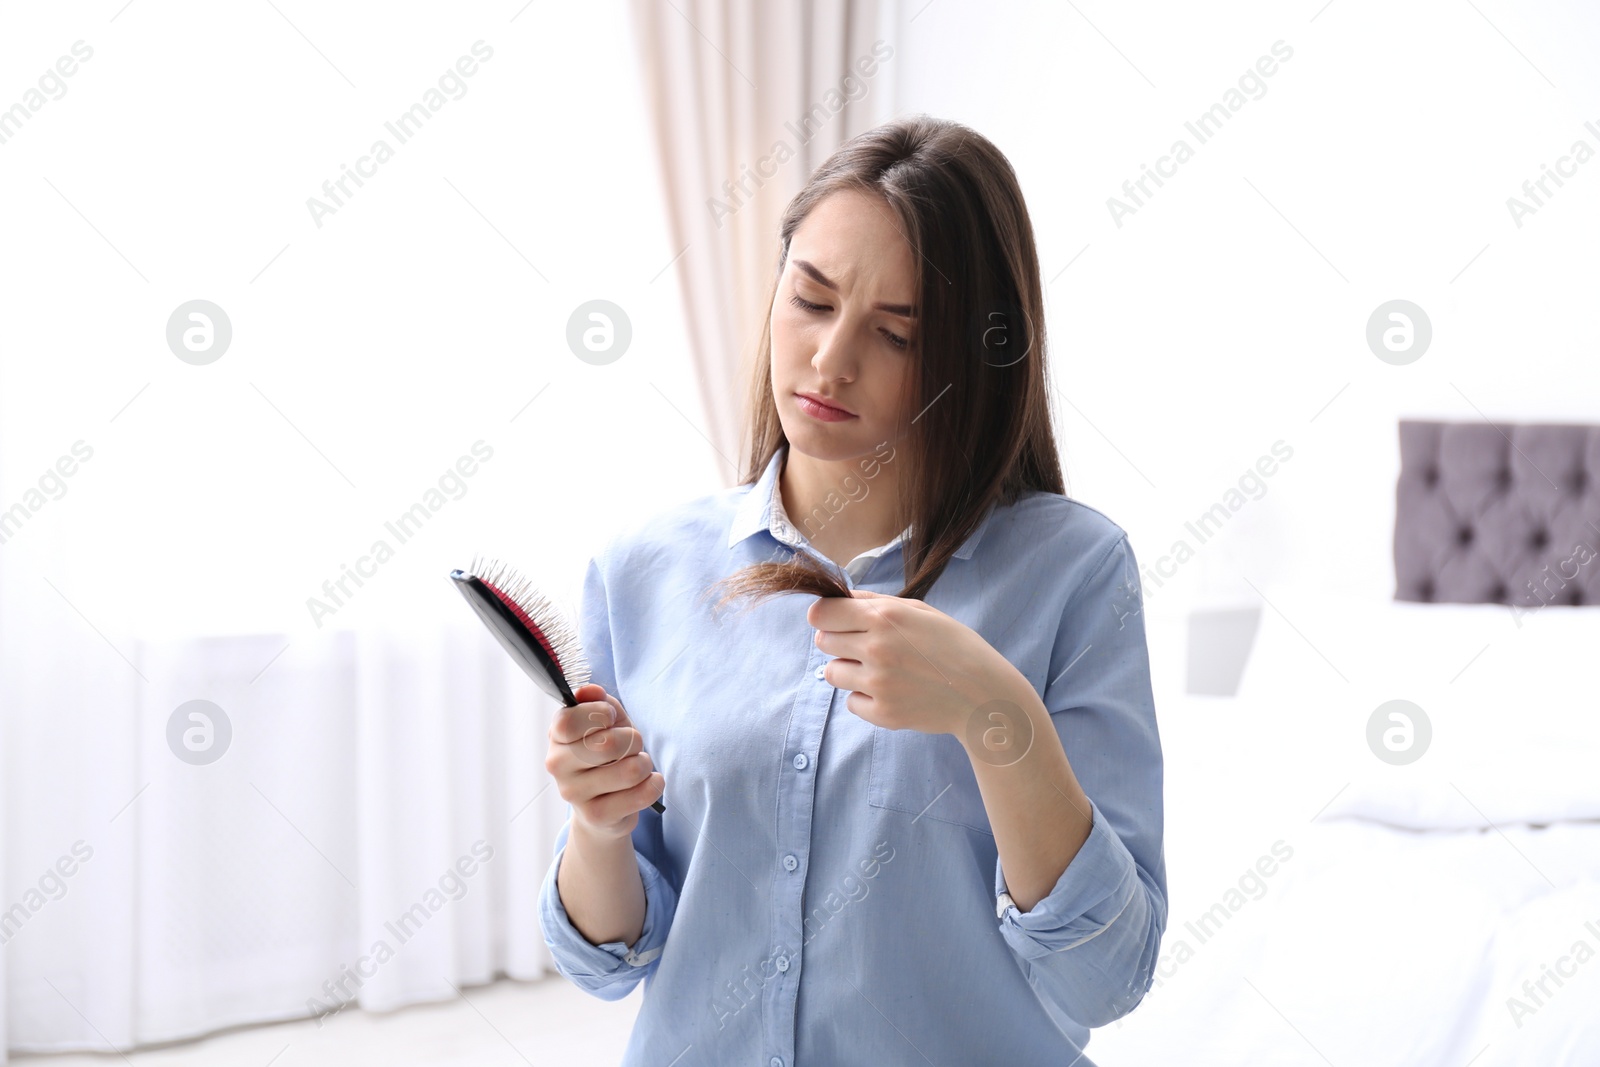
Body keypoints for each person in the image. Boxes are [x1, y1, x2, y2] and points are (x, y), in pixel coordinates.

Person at [538, 114, 1166, 1066]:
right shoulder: (643, 568)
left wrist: (995, 712)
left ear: (969, 360)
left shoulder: (1072, 573)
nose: (832, 359)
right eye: (812, 299)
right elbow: (612, 959)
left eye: (896, 333)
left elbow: (1106, 977)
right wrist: (598, 826)